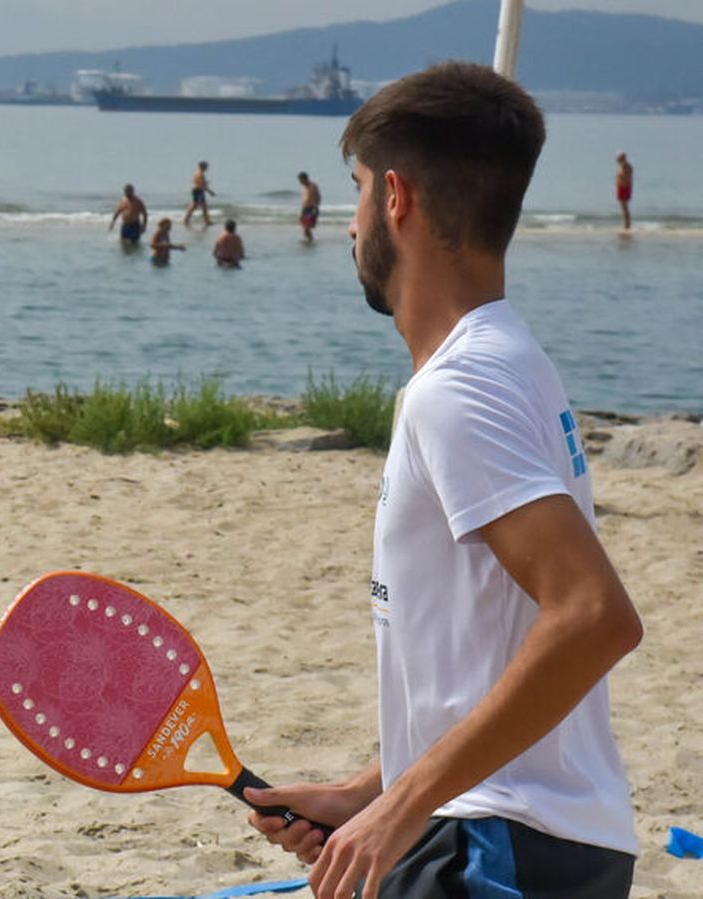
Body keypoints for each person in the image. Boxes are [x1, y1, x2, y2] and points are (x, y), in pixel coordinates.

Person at [244, 62, 643, 899]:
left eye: (356, 192)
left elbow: (594, 617)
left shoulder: (460, 387)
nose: (350, 225)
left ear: (396, 199)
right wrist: (371, 787)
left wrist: (404, 807)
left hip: (495, 842)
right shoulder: (508, 361)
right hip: (532, 836)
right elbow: (490, 644)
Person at [183, 160, 215, 227]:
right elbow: (201, 184)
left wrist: (205, 184)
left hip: (198, 190)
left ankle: (187, 220)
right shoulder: (200, 173)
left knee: (199, 206)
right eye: (206, 167)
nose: (207, 168)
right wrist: (209, 191)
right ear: (203, 166)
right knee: (198, 206)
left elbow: (197, 182)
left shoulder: (198, 173)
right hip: (198, 191)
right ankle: (206, 221)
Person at [298, 171, 321, 243]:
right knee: (304, 226)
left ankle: (309, 240)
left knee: (307, 226)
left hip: (312, 208)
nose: (300, 182)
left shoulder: (313, 186)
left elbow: (317, 197)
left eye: (301, 180)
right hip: (305, 208)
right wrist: (301, 211)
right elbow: (304, 200)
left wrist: (315, 208)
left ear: (305, 179)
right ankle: (308, 240)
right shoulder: (304, 187)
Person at [615, 151, 634, 231]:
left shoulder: (627, 166)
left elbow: (627, 177)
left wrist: (624, 185)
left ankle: (627, 224)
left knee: (624, 207)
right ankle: (626, 223)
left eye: (618, 158)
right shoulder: (621, 166)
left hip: (624, 187)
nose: (617, 159)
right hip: (621, 187)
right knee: (623, 207)